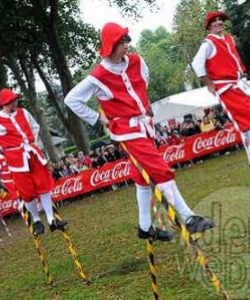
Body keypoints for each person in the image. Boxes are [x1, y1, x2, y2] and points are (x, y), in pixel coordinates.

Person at [64, 22, 214, 240]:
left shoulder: (137, 61)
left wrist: (144, 106)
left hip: (145, 126)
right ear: (111, 45)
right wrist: (98, 119)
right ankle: (189, 217)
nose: (127, 45)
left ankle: (145, 226)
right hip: (126, 131)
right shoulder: (99, 75)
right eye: (122, 41)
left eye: (127, 40)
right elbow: (72, 99)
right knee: (160, 170)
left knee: (141, 177)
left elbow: (144, 81)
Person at [0, 88, 67, 235]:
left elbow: (35, 126)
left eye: (15, 100)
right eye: (12, 102)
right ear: (5, 103)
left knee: (44, 186)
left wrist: (31, 141)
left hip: (33, 155)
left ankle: (52, 220)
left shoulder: (23, 112)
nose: (15, 103)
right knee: (27, 192)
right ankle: (37, 221)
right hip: (16, 161)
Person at [192, 11, 250, 164]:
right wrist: (209, 84)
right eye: (215, 21)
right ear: (209, 25)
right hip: (227, 87)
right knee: (247, 123)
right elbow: (197, 64)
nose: (218, 22)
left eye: (220, 20)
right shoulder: (209, 43)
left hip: (240, 84)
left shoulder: (228, 39)